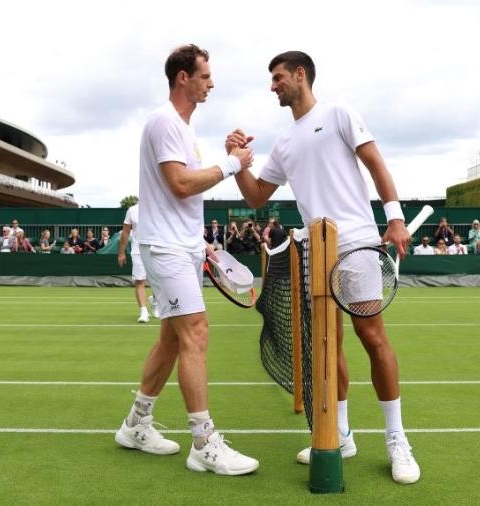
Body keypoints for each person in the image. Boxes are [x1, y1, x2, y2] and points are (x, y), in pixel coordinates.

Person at [227, 50, 419, 484]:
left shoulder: (339, 113)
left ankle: (397, 439)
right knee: (327, 346)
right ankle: (342, 433)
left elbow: (376, 164)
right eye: (271, 80)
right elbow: (257, 195)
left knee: (372, 336)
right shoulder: (282, 143)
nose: (273, 85)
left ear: (300, 75)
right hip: (315, 250)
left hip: (355, 244)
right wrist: (239, 162)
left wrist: (395, 218)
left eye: (278, 77)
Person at [115, 44, 259, 476]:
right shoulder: (163, 121)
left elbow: (179, 199)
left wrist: (204, 244)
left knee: (173, 339)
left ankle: (136, 424)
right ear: (183, 77)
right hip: (165, 249)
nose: (210, 83)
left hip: (182, 245)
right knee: (196, 332)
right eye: (204, 76)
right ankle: (204, 442)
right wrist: (232, 164)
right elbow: (179, 184)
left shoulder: (180, 129)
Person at [118, 203, 157, 323]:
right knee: (140, 280)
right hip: (138, 250)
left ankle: (155, 301)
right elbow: (125, 232)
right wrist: (121, 252)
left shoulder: (159, 207)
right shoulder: (132, 210)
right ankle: (143, 311)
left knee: (160, 280)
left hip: (158, 250)